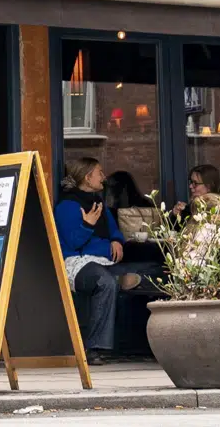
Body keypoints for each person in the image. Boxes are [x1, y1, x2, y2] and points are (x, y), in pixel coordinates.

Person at [54, 157, 142, 366]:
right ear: (87, 177)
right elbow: (72, 242)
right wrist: (87, 224)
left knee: (149, 272)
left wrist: (116, 240)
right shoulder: (67, 205)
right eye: (99, 172)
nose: (104, 177)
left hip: (105, 261)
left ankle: (136, 344)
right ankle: (94, 348)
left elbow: (113, 228)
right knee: (105, 282)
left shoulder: (98, 202)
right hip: (78, 263)